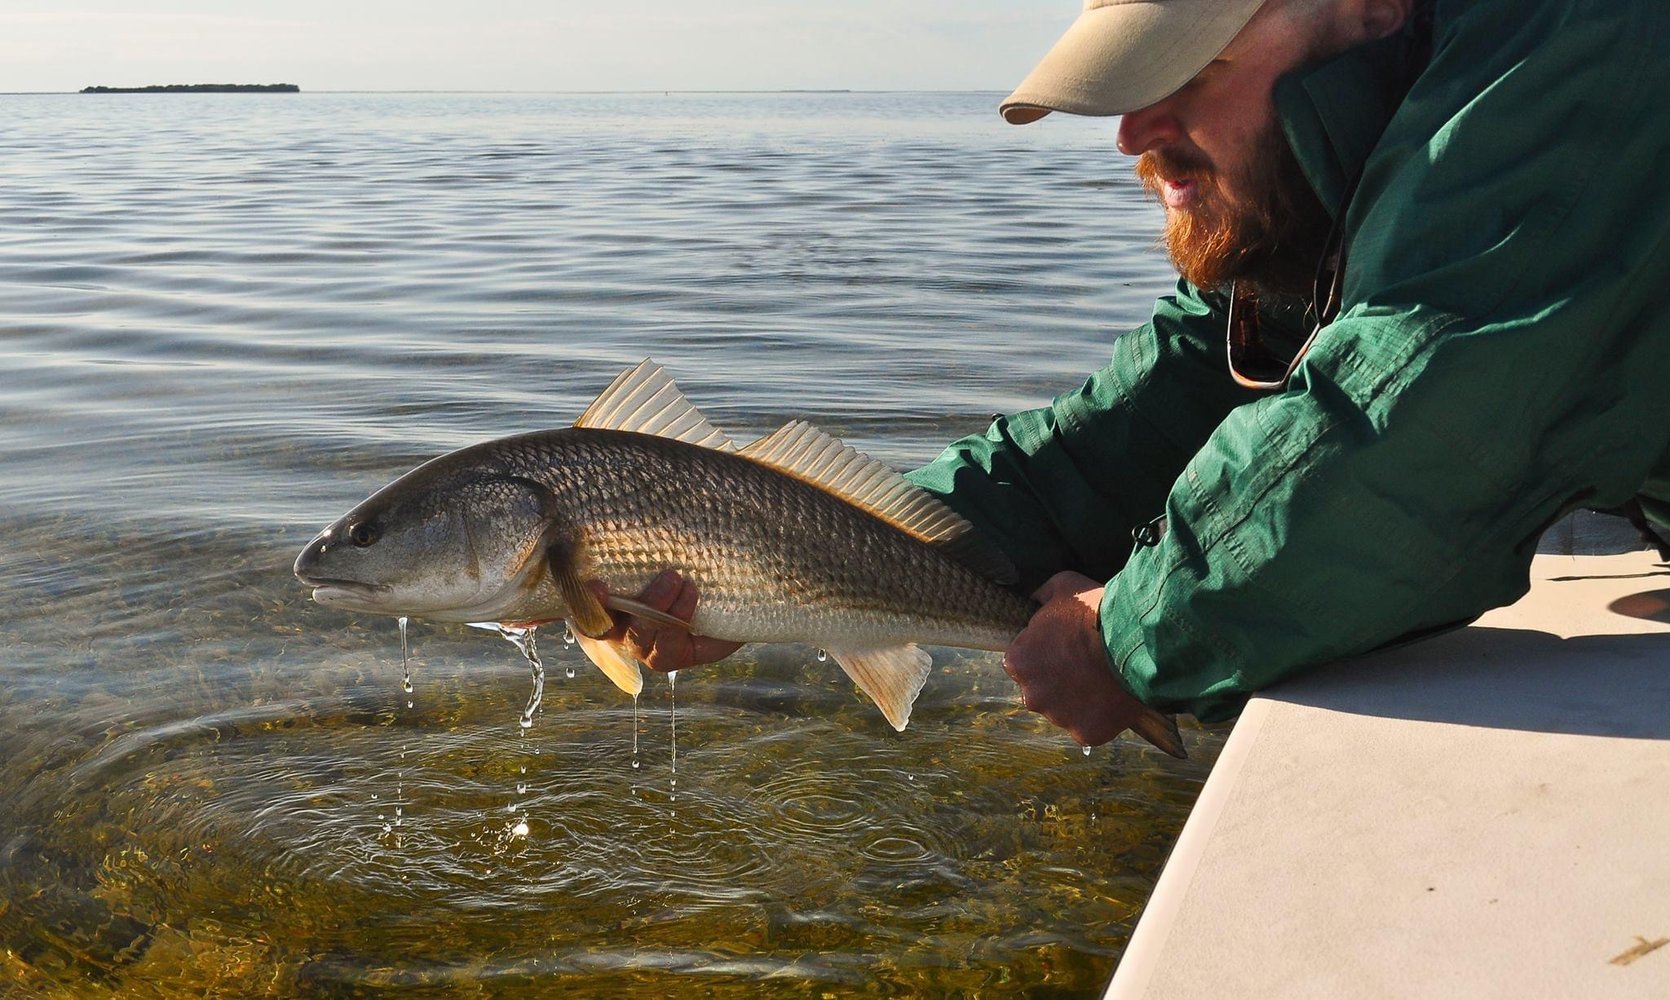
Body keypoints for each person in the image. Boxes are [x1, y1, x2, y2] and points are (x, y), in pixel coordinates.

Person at [600, 0, 1670, 746]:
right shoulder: (1345, 154)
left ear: (1369, 6)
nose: (1130, 136)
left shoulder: (1584, 47)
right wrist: (806, 558)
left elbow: (1413, 416)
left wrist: (1124, 635)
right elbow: (1154, 405)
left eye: (1189, 73)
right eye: (1124, 84)